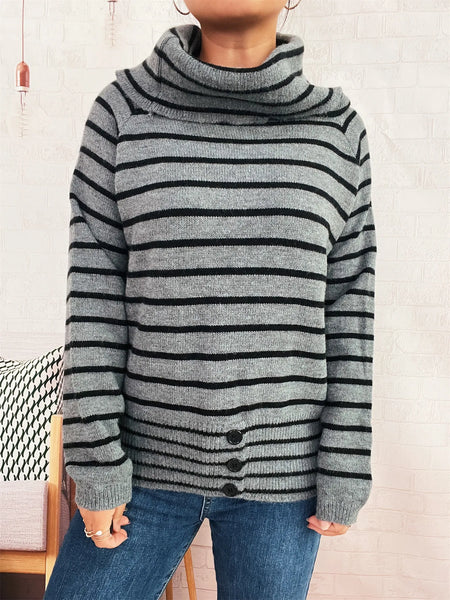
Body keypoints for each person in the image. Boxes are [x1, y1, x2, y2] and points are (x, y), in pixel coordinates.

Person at [44, 0, 377, 598]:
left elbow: (350, 308)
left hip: (285, 482)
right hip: (137, 470)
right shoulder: (123, 111)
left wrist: (345, 464)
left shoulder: (337, 129)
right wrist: (94, 463)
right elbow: (94, 300)